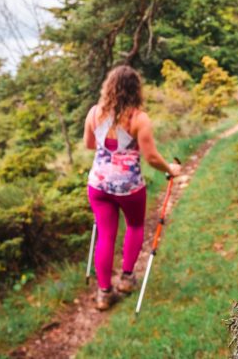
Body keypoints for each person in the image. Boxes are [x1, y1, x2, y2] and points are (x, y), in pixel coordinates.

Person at [83, 65, 182, 310]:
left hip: (99, 185)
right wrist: (171, 169)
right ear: (135, 89)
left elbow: (89, 144)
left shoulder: (95, 113)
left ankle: (104, 293)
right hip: (128, 188)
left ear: (109, 87)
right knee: (135, 226)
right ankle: (127, 280)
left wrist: (108, 144)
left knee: (106, 236)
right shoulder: (138, 119)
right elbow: (151, 158)